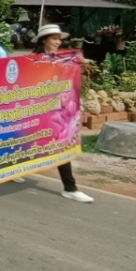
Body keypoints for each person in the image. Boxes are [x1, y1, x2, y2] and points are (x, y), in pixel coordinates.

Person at [31, 24, 95, 203]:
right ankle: (11, 170)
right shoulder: (33, 60)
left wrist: (81, 63)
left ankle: (70, 187)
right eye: (54, 38)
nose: (58, 42)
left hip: (57, 112)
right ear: (44, 40)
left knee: (61, 144)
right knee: (24, 142)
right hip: (35, 111)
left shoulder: (64, 59)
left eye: (59, 39)